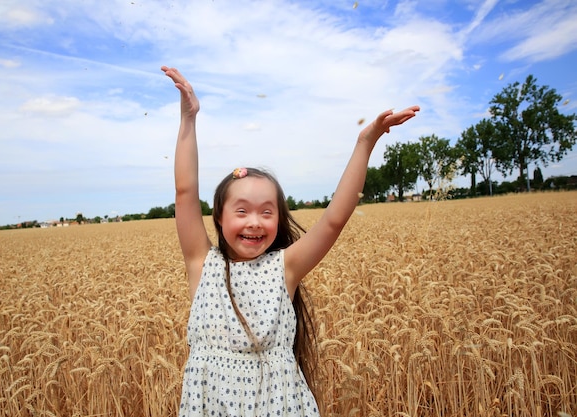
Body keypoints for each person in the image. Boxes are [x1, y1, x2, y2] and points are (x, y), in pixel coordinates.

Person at [162, 65, 419, 417]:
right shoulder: (201, 264)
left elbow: (333, 220)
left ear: (280, 220)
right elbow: (185, 191)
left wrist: (366, 142)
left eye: (267, 212)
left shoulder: (285, 268)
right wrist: (188, 119)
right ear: (219, 218)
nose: (254, 222)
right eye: (242, 211)